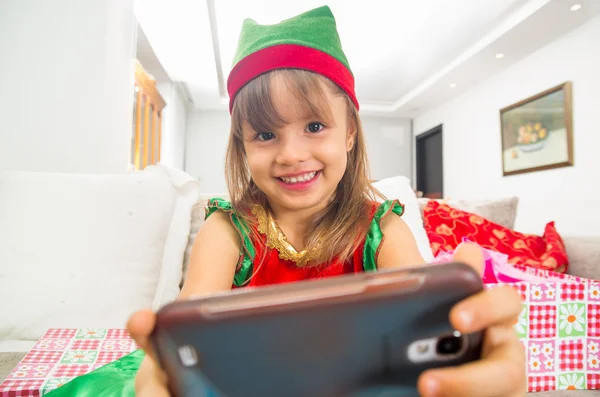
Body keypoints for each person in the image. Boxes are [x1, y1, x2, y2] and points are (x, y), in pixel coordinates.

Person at [47, 6, 525, 397]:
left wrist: (468, 344)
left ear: (350, 134)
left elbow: (427, 329)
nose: (292, 154)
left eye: (315, 126)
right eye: (265, 134)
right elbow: (188, 326)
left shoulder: (382, 230)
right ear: (242, 146)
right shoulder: (227, 230)